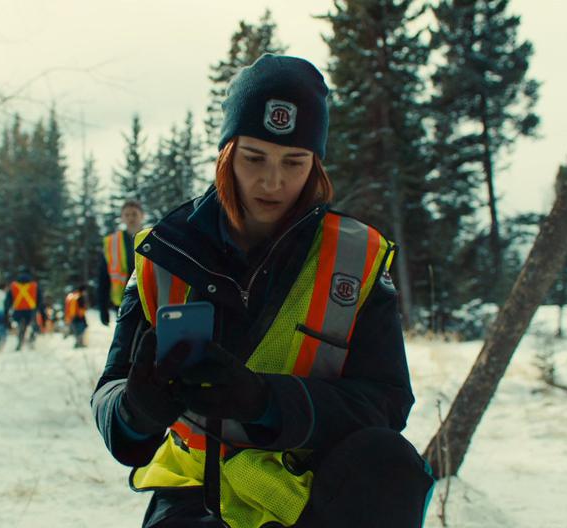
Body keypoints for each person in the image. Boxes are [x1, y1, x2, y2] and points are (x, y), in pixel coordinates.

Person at [90, 54, 432, 528]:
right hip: (195, 490)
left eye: (294, 162)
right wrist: (134, 409)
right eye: (254, 158)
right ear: (227, 154)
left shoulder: (356, 259)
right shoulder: (162, 252)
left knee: (390, 462)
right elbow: (110, 393)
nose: (273, 181)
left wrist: (266, 402)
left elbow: (387, 402)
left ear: (316, 163)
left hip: (306, 485)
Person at [98, 199, 145, 327]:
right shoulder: (112, 242)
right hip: (123, 302)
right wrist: (103, 308)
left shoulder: (152, 236)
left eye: (134, 214)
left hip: (148, 298)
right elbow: (103, 277)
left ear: (142, 216)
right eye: (127, 215)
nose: (131, 218)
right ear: (122, 218)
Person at [5, 268, 43, 351]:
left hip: (18, 310)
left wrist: (7, 311)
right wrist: (39, 309)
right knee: (34, 326)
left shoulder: (14, 286)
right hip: (31, 310)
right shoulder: (34, 285)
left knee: (21, 327)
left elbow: (8, 300)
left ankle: (20, 342)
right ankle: (31, 342)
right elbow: (40, 299)